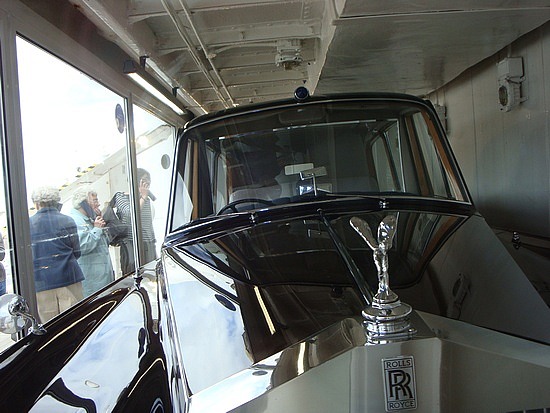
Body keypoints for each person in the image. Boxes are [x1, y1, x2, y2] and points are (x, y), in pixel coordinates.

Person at [29, 186, 84, 322]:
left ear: (37, 204)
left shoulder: (28, 224)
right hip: (69, 278)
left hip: (42, 283)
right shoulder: (67, 220)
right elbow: (76, 252)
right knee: (75, 321)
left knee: (50, 326)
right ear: (56, 201)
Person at [69, 188, 114, 297]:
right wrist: (97, 229)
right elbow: (82, 246)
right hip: (92, 284)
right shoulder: (75, 220)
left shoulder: (91, 220)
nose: (98, 204)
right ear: (83, 203)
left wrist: (100, 223)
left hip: (103, 280)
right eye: (94, 201)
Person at [113, 168, 157, 275]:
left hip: (148, 243)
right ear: (136, 180)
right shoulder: (121, 196)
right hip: (131, 245)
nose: (147, 183)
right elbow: (130, 214)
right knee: (133, 275)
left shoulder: (146, 199)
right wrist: (143, 197)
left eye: (149, 180)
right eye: (144, 180)